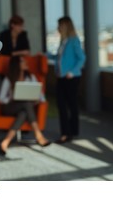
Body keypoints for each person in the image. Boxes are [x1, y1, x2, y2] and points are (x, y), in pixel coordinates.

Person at [0, 55, 51, 155]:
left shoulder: (31, 77)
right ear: (17, 65)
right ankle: (38, 135)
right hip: (10, 107)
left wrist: (38, 100)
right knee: (26, 104)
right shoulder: (9, 79)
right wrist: (11, 97)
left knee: (24, 111)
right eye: (23, 62)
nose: (26, 63)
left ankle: (5, 142)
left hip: (25, 107)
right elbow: (1, 98)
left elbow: (41, 96)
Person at [49, 16, 86, 144]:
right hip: (61, 77)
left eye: (59, 25)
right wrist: (46, 55)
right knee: (61, 104)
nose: (58, 28)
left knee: (71, 105)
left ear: (65, 26)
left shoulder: (73, 40)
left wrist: (72, 72)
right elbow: (59, 58)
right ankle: (68, 132)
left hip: (71, 78)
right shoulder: (63, 41)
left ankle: (69, 133)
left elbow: (81, 58)